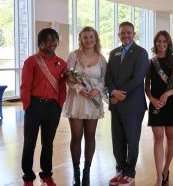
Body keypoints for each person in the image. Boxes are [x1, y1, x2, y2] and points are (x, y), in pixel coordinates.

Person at [20, 28, 67, 186]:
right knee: (29, 142)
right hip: (34, 106)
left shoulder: (62, 63)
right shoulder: (31, 61)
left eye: (54, 40)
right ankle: (28, 177)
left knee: (48, 143)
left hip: (53, 107)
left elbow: (62, 86)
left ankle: (46, 174)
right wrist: (27, 105)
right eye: (47, 40)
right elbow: (25, 86)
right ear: (40, 42)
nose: (51, 43)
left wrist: (59, 105)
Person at [105, 21, 148, 186]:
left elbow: (138, 79)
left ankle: (130, 173)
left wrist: (119, 94)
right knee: (117, 140)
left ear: (134, 34)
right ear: (118, 35)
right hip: (115, 103)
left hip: (133, 105)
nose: (126, 35)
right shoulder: (113, 53)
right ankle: (120, 170)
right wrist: (113, 92)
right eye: (123, 33)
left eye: (129, 32)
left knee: (132, 139)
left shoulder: (141, 53)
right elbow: (108, 76)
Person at [63, 26, 107, 186]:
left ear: (96, 39)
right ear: (81, 39)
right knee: (76, 136)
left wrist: (96, 90)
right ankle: (76, 172)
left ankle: (86, 172)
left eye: (91, 37)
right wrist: (79, 88)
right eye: (85, 37)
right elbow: (66, 76)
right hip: (77, 99)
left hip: (93, 101)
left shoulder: (101, 59)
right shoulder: (74, 55)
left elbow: (104, 79)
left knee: (90, 136)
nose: (88, 40)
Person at [145, 30, 173, 186]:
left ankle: (166, 169)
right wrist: (152, 99)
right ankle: (159, 177)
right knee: (158, 138)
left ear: (168, 44)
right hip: (156, 104)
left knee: (170, 136)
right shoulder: (150, 62)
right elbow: (147, 85)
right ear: (155, 43)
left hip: (170, 103)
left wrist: (167, 94)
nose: (161, 44)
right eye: (158, 42)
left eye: (164, 42)